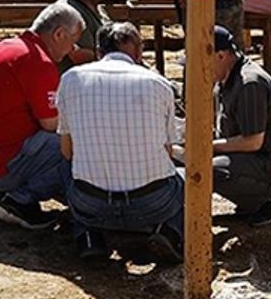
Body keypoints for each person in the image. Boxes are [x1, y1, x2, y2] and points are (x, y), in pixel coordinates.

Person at [56, 22, 184, 262]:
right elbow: (167, 151)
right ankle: (171, 232)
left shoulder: (70, 79)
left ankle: (87, 234)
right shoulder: (158, 84)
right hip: (151, 203)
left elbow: (67, 151)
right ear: (138, 52)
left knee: (65, 163)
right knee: (183, 179)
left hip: (91, 202)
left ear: (98, 51)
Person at [0, 3, 83, 230]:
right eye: (72, 42)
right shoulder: (38, 62)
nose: (72, 50)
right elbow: (53, 124)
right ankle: (19, 199)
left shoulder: (8, 46)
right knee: (74, 147)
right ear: (59, 34)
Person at [212, 26, 271, 225]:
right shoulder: (223, 79)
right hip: (252, 156)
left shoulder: (249, 84)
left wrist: (209, 148)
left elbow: (253, 142)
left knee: (207, 170)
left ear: (221, 56)